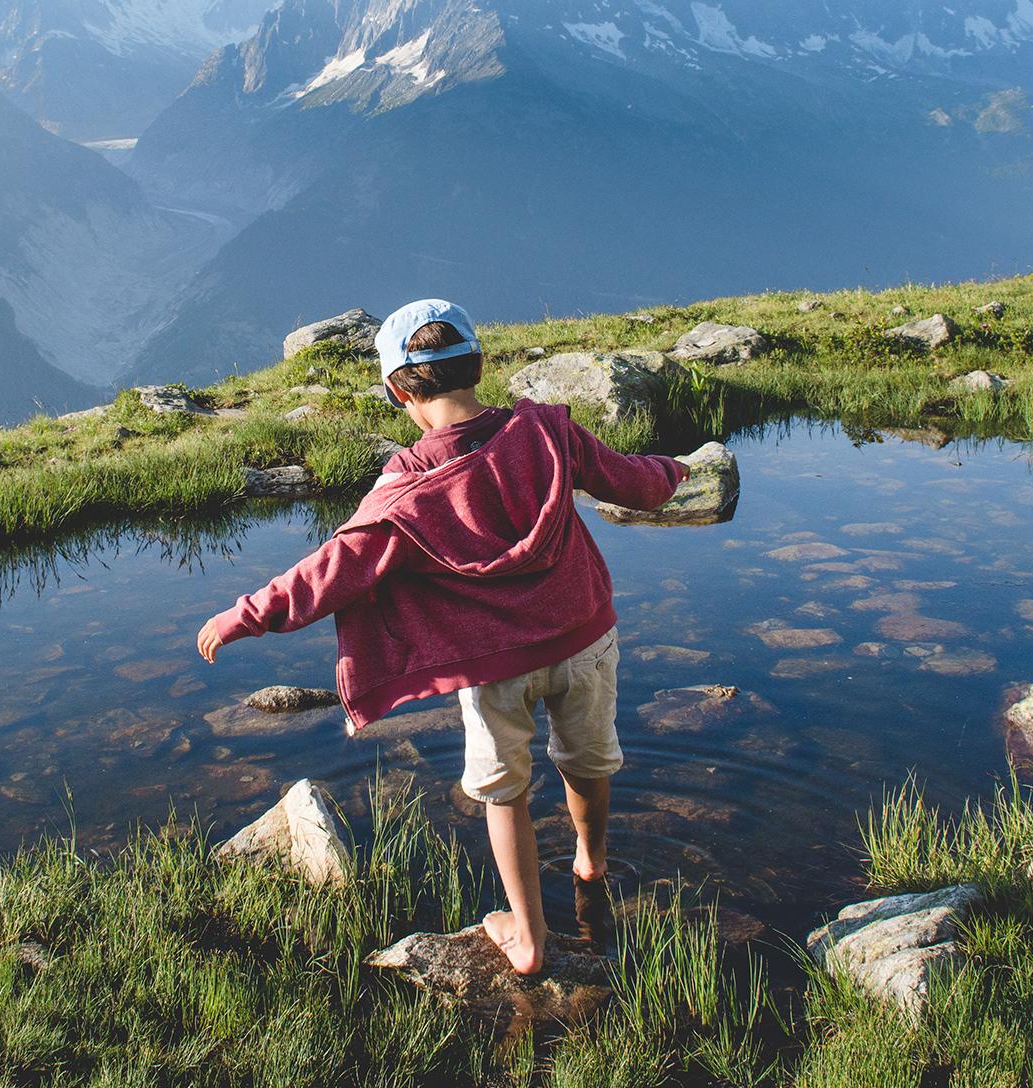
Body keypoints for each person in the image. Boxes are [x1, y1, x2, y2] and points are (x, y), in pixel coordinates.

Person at [196, 298, 687, 974]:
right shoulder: (547, 430)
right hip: (584, 635)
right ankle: (590, 861)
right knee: (588, 758)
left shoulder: (406, 484)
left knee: (503, 789)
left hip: (495, 668)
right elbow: (635, 484)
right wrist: (679, 469)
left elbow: (333, 569)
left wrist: (246, 613)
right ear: (479, 366)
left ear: (401, 391)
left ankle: (529, 938)